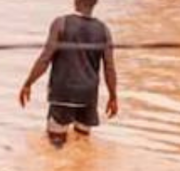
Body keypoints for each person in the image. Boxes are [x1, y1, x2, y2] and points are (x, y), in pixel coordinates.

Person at [18, 0, 118, 146]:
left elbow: (45, 58)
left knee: (55, 145)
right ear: (95, 3)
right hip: (88, 96)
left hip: (63, 93)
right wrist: (113, 96)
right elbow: (109, 67)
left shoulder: (61, 23)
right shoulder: (104, 30)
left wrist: (28, 83)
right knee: (82, 144)